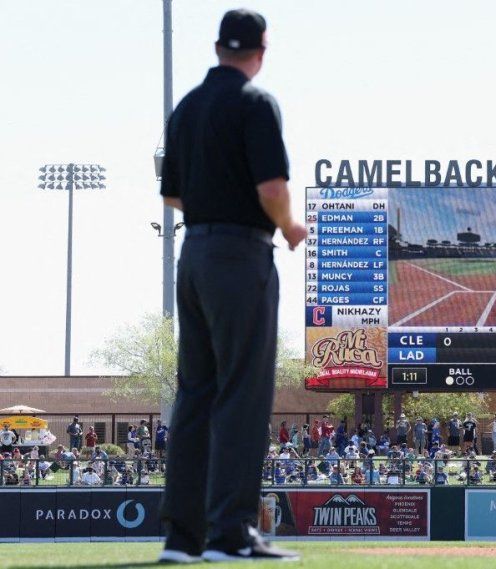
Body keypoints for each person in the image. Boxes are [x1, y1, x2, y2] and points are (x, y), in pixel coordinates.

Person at [157, 9, 305, 564]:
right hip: (241, 255)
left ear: (219, 46)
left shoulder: (189, 106)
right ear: (260, 51)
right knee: (242, 394)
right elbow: (271, 186)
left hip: (192, 253)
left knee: (195, 393)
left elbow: (171, 194)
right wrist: (290, 226)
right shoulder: (255, 102)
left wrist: (212, 206)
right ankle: (230, 534)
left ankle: (182, 538)